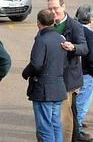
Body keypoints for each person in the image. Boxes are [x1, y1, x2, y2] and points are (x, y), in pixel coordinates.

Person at [47, 0, 89, 142]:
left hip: (67, 79)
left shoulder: (75, 26)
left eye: (56, 8)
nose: (53, 12)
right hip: (51, 77)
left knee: (65, 116)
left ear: (63, 7)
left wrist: (73, 47)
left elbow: (84, 48)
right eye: (50, 8)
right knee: (52, 115)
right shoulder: (48, 24)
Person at [22, 9, 67, 142]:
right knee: (55, 125)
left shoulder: (41, 40)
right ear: (54, 21)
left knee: (44, 127)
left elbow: (36, 64)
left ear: (38, 23)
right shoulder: (60, 38)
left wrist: (26, 73)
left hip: (44, 90)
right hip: (58, 87)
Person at [75, 5, 93, 142]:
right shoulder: (89, 34)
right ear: (91, 18)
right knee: (82, 103)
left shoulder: (74, 29)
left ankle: (75, 125)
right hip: (86, 73)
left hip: (74, 72)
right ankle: (77, 131)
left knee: (75, 101)